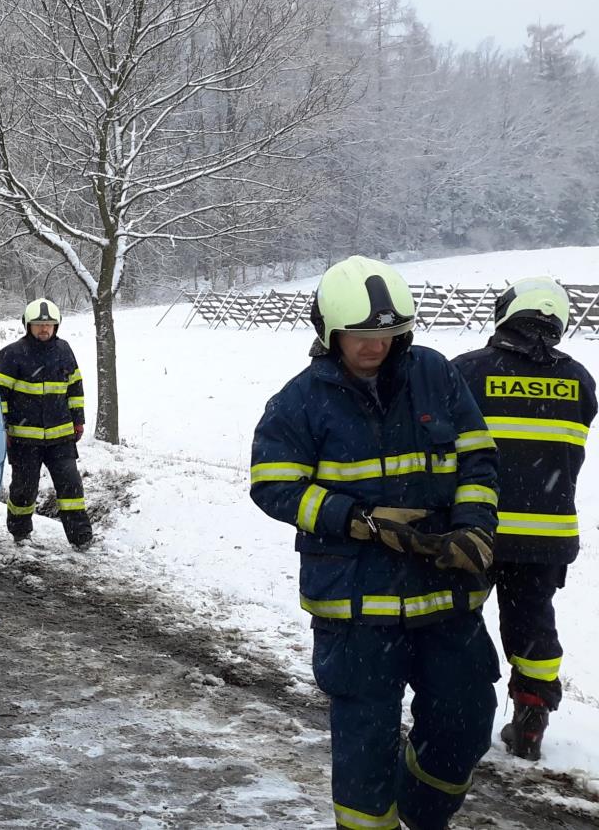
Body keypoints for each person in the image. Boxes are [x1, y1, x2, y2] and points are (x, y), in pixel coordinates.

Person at [249, 256, 500, 830]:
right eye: (360, 335)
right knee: (365, 745)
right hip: (356, 607)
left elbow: (478, 458)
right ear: (329, 332)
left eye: (386, 334)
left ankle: (422, 810)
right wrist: (355, 518)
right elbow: (272, 485)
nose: (374, 346)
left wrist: (472, 524)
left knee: (465, 721)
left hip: (445, 595)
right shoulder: (299, 401)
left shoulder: (435, 375)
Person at [451, 277, 596, 761]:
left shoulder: (467, 371)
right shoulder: (580, 380)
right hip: (546, 538)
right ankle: (531, 722)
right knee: (533, 626)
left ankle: (453, 711)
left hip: (477, 529)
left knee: (456, 620)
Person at [0, 298, 92, 548]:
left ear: (57, 326)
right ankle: (20, 533)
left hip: (60, 438)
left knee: (71, 488)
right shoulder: (11, 354)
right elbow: (0, 396)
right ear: (27, 325)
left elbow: (75, 388)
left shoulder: (64, 350)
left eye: (49, 325)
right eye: (38, 325)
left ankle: (81, 538)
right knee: (23, 490)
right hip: (24, 438)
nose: (44, 329)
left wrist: (78, 421)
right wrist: (3, 427)